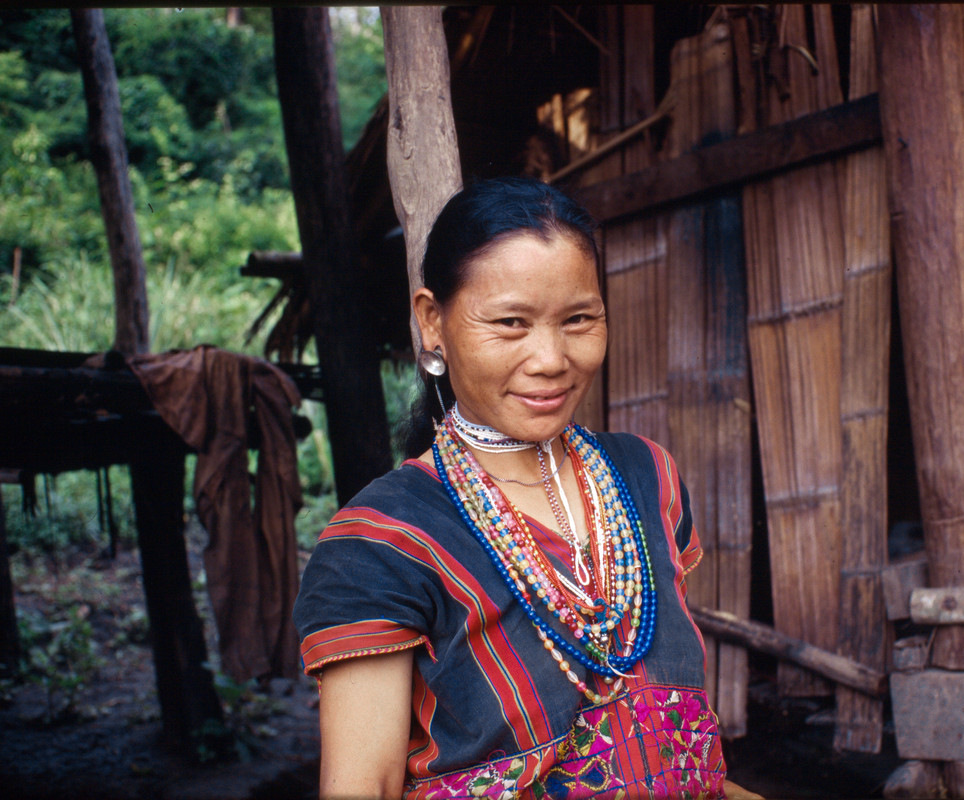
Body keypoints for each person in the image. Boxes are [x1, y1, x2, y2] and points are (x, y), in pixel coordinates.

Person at [294, 177, 759, 799]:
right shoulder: (378, 544)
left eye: (579, 319)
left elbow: (671, 749)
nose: (550, 359)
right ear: (432, 321)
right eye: (511, 323)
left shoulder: (647, 475)